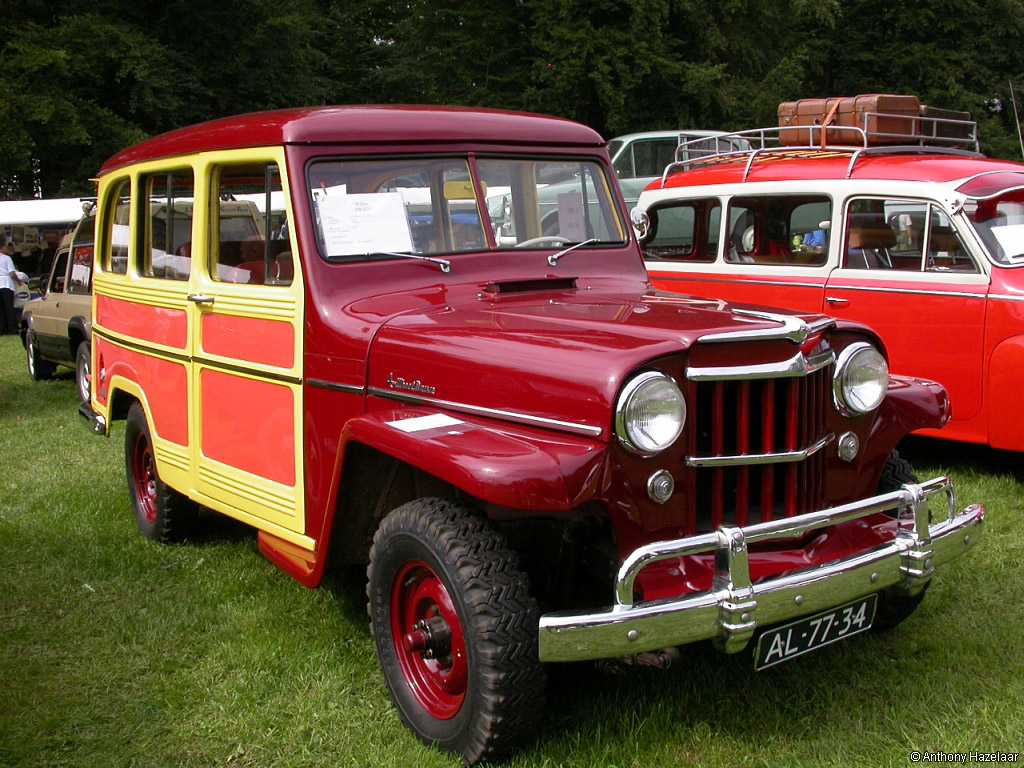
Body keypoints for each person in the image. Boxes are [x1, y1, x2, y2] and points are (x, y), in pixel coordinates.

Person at [0, 240, 29, 335]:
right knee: (9, 307)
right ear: (2, 247)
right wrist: (19, 282)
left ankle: (2, 328)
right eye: (6, 247)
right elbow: (12, 273)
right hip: (6, 284)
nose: (7, 248)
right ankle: (12, 329)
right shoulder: (7, 258)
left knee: (1, 309)